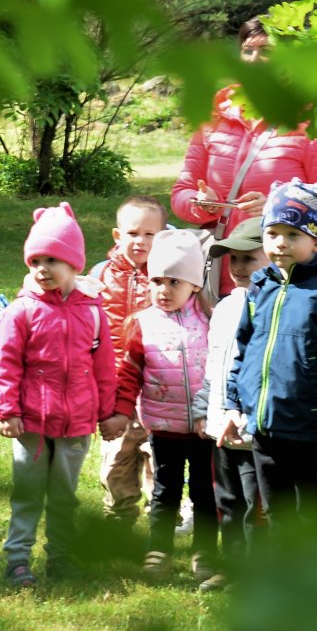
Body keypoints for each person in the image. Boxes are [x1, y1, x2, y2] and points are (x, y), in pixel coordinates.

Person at [216, 180, 317, 533]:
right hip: (264, 422)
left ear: (316, 239)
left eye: (293, 234)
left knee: (315, 513)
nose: (281, 243)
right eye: (273, 233)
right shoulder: (260, 286)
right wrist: (234, 403)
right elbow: (244, 349)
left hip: (311, 427)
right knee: (276, 512)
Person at [170, 19, 317, 291]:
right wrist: (200, 203)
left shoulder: (314, 125)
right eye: (247, 50)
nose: (254, 60)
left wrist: (276, 207)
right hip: (218, 271)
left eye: (266, 52)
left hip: (284, 276)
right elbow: (182, 192)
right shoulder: (214, 117)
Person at [0, 202, 114, 589]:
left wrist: (107, 412)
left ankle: (61, 556)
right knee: (28, 494)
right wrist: (7, 409)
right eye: (36, 261)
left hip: (77, 420)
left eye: (53, 260)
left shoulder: (93, 310)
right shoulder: (22, 311)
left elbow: (104, 366)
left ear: (74, 265)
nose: (42, 269)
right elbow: (5, 363)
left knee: (65, 496)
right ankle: (17, 559)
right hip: (31, 420)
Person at [107, 228, 215, 577]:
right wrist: (122, 412)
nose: (163, 291)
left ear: (194, 286)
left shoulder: (211, 320)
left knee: (205, 493)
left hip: (203, 430)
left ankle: (205, 552)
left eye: (174, 283)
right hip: (163, 427)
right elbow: (129, 373)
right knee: (164, 492)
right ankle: (159, 550)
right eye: (156, 282)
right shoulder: (141, 324)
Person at [192, 218, 270, 592]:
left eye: (248, 259)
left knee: (257, 503)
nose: (238, 268)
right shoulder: (224, 307)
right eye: (233, 259)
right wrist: (205, 408)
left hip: (253, 428)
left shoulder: (269, 308)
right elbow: (214, 363)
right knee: (228, 499)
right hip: (221, 422)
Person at [87, 195, 165, 534]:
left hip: (158, 385)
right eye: (134, 233)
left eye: (151, 234)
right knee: (117, 458)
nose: (141, 241)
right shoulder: (100, 275)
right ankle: (118, 518)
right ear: (118, 236)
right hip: (114, 383)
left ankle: (161, 520)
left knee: (156, 457)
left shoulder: (167, 275)